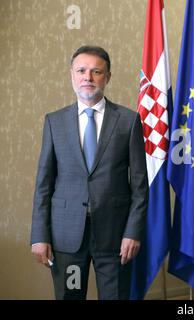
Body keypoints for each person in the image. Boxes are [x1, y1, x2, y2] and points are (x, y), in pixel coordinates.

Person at [30, 45, 148, 300]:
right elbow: (44, 184)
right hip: (67, 238)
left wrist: (133, 232)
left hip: (115, 238)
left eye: (96, 71)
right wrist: (39, 235)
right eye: (81, 70)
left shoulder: (128, 121)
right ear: (71, 75)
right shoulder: (55, 122)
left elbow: (140, 186)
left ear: (108, 77)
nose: (88, 77)